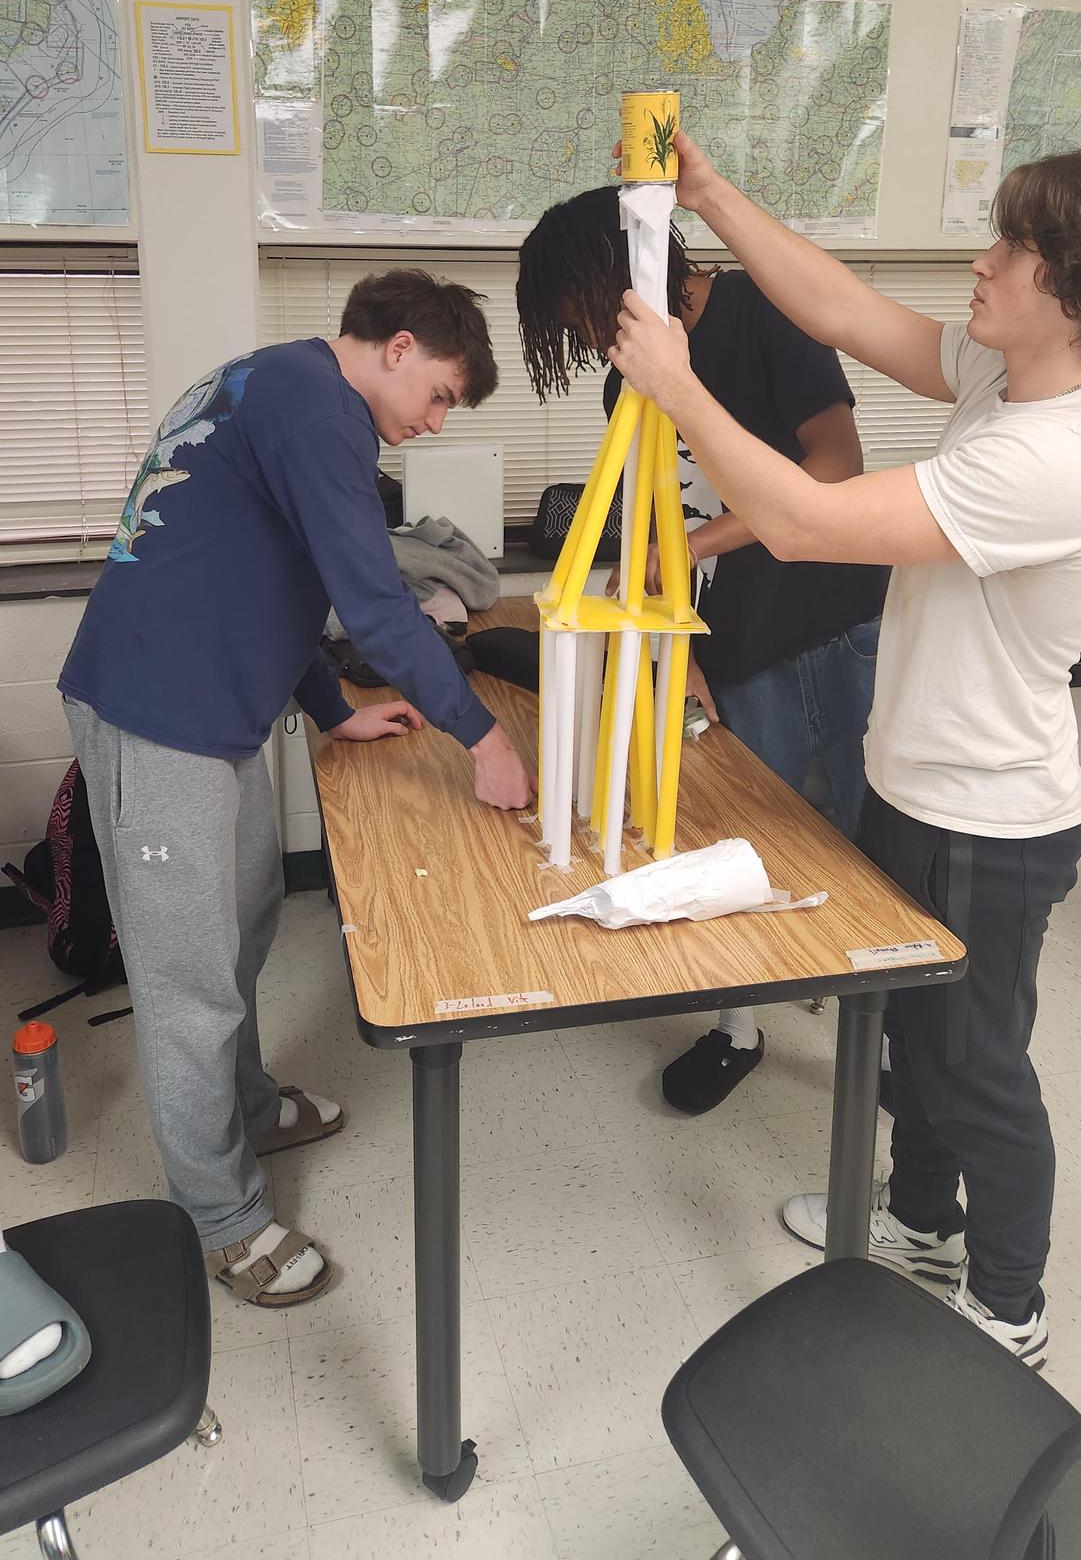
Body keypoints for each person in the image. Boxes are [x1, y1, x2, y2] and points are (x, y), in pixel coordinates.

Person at [608, 131, 1081, 1365]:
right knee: (910, 1038)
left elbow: (806, 523)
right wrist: (709, 193)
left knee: (975, 1064)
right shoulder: (1002, 375)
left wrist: (679, 387)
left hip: (996, 811)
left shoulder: (1054, 456)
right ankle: (922, 1226)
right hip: (913, 777)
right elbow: (847, 308)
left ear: (1072, 291)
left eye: (1013, 247)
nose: (981, 263)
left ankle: (1010, 1310)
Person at [59, 270, 532, 1307]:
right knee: (189, 977)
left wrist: (328, 708)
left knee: (243, 919)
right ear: (399, 348)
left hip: (214, 708)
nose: (436, 421)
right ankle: (222, 1219)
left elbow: (282, 571)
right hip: (154, 717)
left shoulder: (281, 387)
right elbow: (371, 602)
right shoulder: (320, 406)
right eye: (443, 394)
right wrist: (483, 738)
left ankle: (249, 1108)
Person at [517, 187, 887, 1112]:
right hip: (736, 642)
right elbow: (650, 523)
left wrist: (686, 548)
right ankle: (740, 1024)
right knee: (740, 840)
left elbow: (835, 467)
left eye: (586, 317)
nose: (594, 342)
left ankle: (890, 1036)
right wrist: (679, 657)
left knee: (866, 842)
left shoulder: (765, 312)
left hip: (833, 620)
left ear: (622, 274)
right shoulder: (626, 381)